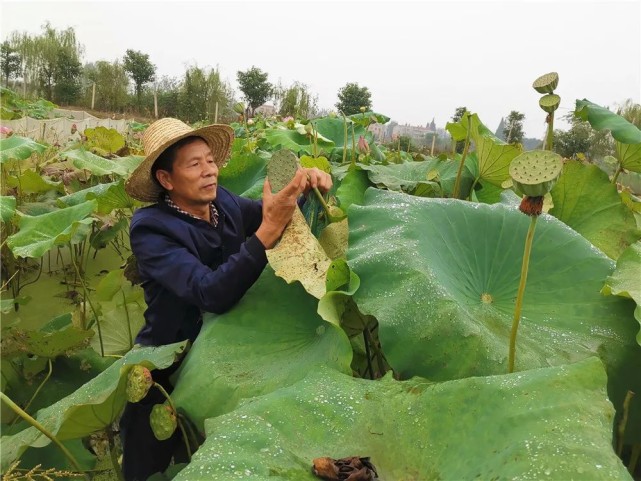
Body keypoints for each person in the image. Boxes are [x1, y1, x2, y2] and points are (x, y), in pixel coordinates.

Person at [121, 117, 332, 480]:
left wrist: (306, 186)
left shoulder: (225, 204)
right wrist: (267, 230)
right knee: (149, 463)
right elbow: (209, 292)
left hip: (230, 355)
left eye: (210, 160)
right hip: (168, 361)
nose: (209, 172)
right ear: (166, 180)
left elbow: (273, 212)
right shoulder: (151, 229)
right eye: (194, 164)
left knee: (222, 460)